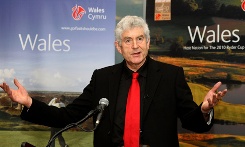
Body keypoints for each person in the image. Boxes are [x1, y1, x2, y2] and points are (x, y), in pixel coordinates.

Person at [0, 15, 227, 147]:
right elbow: (67, 116)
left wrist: (205, 110)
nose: (135, 46)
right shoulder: (102, 77)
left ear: (148, 43)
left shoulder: (171, 75)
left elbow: (191, 120)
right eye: (128, 40)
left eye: (140, 39)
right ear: (118, 47)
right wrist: (29, 102)